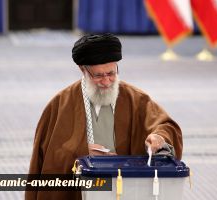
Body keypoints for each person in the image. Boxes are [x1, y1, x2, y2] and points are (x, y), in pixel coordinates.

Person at [25, 33, 182, 200]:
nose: (106, 81)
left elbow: (165, 125)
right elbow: (49, 159)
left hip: (125, 191)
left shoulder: (136, 99)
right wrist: (82, 152)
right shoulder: (58, 105)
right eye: (98, 75)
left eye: (111, 73)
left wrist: (159, 137)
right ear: (82, 69)